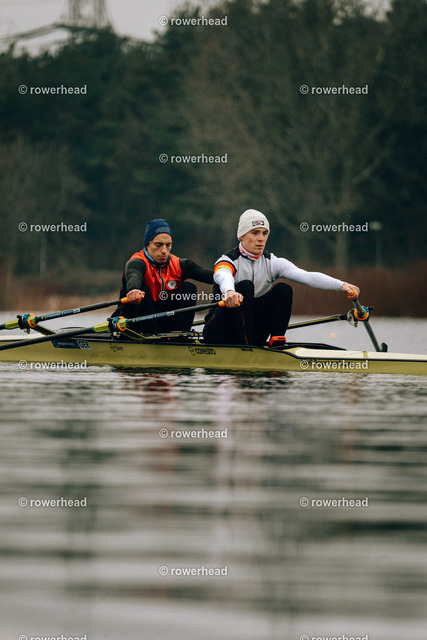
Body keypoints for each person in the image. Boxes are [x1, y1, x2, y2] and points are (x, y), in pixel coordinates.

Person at [203, 209, 360, 346]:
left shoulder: (272, 262)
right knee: (245, 286)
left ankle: (276, 340)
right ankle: (248, 346)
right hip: (218, 331)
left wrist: (342, 285)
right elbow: (224, 276)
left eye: (264, 233)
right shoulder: (227, 261)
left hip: (254, 331)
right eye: (255, 233)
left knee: (283, 289)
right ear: (241, 236)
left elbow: (308, 277)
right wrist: (229, 292)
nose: (261, 238)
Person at [113, 219, 213, 334]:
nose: (164, 251)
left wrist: (228, 273)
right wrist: (133, 290)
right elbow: (134, 276)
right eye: (158, 245)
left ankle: (179, 335)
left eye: (168, 245)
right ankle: (150, 335)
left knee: (188, 288)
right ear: (147, 244)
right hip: (135, 322)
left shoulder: (179, 265)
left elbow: (213, 277)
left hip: (162, 321)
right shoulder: (137, 262)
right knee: (143, 289)